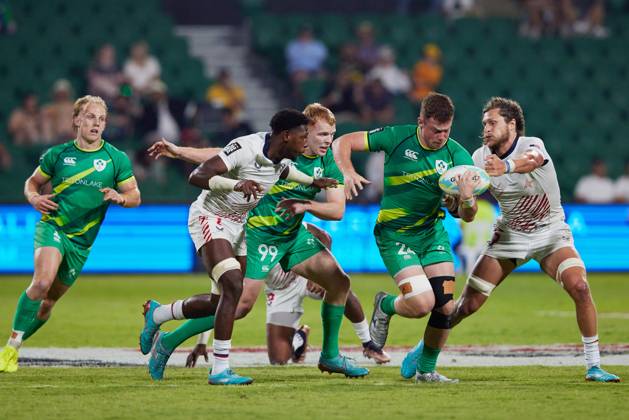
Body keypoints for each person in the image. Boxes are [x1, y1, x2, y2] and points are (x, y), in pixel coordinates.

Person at [139, 109, 338, 385]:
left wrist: (313, 181)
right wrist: (236, 184)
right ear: (286, 135)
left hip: (239, 225)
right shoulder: (247, 147)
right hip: (210, 218)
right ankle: (221, 369)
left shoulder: (280, 159)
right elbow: (197, 176)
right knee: (233, 285)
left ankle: (159, 314)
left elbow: (287, 172)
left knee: (223, 302)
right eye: (303, 137)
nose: (306, 144)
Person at [448, 97, 620, 383]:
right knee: (467, 306)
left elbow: (534, 161)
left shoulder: (531, 145)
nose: (486, 129)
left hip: (551, 234)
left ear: (512, 124)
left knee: (580, 286)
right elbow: (467, 215)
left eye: (493, 123)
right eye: (484, 124)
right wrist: (464, 199)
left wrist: (506, 167)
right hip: (510, 236)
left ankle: (594, 366)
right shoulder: (478, 158)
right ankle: (425, 350)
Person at [333, 92, 479, 383]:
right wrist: (347, 172)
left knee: (446, 306)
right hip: (394, 235)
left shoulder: (457, 157)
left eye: (446, 131)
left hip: (431, 233)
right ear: (420, 122)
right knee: (422, 304)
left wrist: (466, 200)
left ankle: (426, 370)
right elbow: (343, 142)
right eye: (435, 130)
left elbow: (467, 215)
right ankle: (386, 305)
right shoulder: (396, 137)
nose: (441, 137)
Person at [0, 95, 141, 373]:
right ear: (76, 120)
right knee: (41, 283)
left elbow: (135, 195)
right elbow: (33, 182)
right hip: (53, 226)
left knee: (47, 304)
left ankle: (12, 346)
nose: (96, 124)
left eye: (101, 119)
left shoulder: (116, 159)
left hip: (81, 243)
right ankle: (11, 348)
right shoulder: (58, 155)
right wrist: (33, 198)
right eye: (90, 117)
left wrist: (120, 197)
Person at [185, 223, 390, 367]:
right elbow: (220, 298)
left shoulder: (275, 220)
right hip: (279, 291)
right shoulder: (236, 246)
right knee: (279, 359)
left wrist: (321, 275)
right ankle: (298, 338)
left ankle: (368, 343)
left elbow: (324, 236)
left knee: (339, 287)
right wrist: (201, 342)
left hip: (303, 275)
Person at [42, 79, 75, 144]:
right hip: (55, 138)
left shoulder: (74, 107)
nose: (61, 96)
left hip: (72, 136)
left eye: (63, 93)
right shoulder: (48, 108)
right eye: (59, 93)